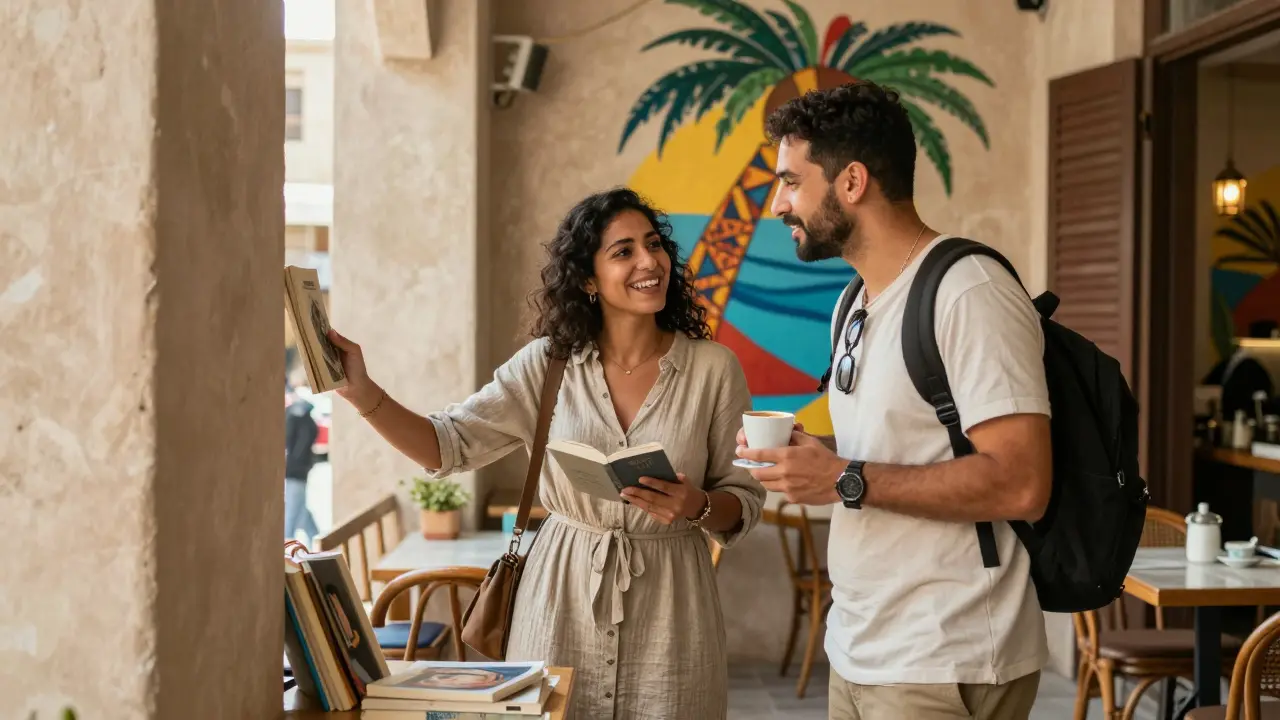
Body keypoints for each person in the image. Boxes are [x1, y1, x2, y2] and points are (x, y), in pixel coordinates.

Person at [327, 188, 765, 719]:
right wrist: (361, 392)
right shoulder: (547, 365)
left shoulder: (714, 369)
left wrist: (695, 505)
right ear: (587, 279)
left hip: (673, 607)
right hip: (559, 597)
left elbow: (743, 499)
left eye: (653, 245)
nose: (649, 261)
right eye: (623, 251)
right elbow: (447, 444)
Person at [735, 81, 1053, 719]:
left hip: (944, 656)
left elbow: (1022, 484)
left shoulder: (970, 291)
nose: (778, 205)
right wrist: (816, 459)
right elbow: (894, 452)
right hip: (859, 649)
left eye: (791, 182)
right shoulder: (854, 301)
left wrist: (844, 479)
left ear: (851, 182)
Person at [284, 377, 321, 544]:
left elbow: (297, 446)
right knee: (299, 509)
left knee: (292, 512)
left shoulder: (296, 415)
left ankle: (286, 546)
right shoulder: (299, 415)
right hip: (297, 469)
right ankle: (317, 538)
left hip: (295, 470)